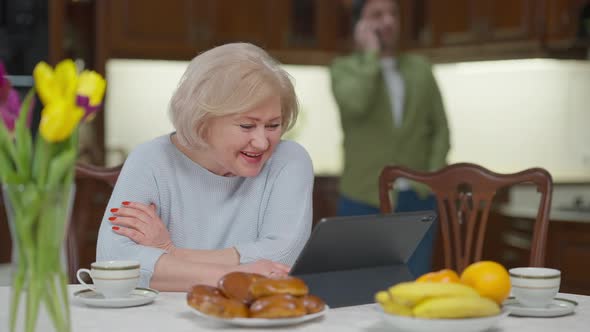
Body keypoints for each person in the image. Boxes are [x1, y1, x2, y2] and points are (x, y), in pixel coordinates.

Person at [96, 43, 314, 292]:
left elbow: (282, 259)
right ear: (203, 120)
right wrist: (237, 274)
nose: (262, 141)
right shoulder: (150, 159)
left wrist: (170, 252)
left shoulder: (288, 160)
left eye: (273, 125)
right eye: (246, 126)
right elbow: (113, 262)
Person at [329, 0, 450, 276]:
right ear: (360, 24)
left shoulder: (420, 68)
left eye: (393, 14)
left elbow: (440, 129)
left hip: (416, 197)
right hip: (362, 195)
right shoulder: (343, 69)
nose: (388, 21)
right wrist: (371, 55)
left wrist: (431, 178)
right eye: (377, 15)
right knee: (359, 285)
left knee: (414, 282)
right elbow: (355, 104)